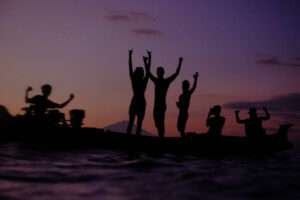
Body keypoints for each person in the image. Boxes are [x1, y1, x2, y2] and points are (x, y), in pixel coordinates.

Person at [147, 56, 183, 138]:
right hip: (156, 106)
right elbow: (148, 73)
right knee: (157, 123)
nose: (158, 73)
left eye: (160, 71)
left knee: (161, 122)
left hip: (162, 105)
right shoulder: (156, 81)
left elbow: (176, 73)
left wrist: (180, 62)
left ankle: (161, 137)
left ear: (162, 73)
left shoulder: (166, 81)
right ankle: (161, 135)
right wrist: (148, 60)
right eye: (157, 72)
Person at [126, 49, 151, 135]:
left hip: (137, 102)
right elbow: (147, 73)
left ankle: (131, 137)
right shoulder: (141, 81)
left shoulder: (136, 81)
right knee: (136, 123)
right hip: (138, 102)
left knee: (133, 122)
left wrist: (130, 55)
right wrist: (147, 60)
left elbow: (130, 68)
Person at [176, 72, 198, 137]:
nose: (183, 87)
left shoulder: (187, 93)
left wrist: (195, 79)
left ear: (187, 86)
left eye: (184, 85)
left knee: (181, 128)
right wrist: (178, 105)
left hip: (184, 113)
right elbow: (180, 106)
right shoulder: (181, 96)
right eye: (183, 85)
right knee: (179, 128)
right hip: (181, 112)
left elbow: (193, 88)